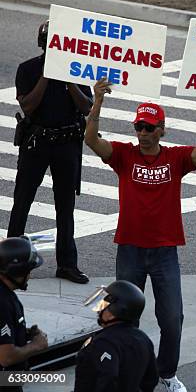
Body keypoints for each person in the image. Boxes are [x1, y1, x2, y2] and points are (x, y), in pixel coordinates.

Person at [84, 77, 196, 392]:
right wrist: (97, 102)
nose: (142, 133)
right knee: (122, 316)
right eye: (138, 127)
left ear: (162, 130)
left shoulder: (177, 158)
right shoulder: (124, 155)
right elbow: (91, 140)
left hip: (165, 251)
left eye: (149, 127)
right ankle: (130, 373)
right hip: (129, 249)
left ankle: (166, 374)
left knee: (171, 319)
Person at [8, 20, 93, 284]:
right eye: (51, 44)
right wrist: (47, 74)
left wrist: (69, 81)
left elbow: (86, 107)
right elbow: (29, 105)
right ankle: (11, 262)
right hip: (37, 142)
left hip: (67, 143)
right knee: (22, 202)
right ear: (43, 45)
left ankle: (67, 264)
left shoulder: (76, 71)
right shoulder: (29, 69)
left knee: (65, 206)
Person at [74, 280, 158, 392]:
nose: (99, 311)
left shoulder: (103, 343)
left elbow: (108, 378)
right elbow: (151, 378)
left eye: (104, 306)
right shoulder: (143, 338)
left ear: (114, 312)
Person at [0, 236, 49, 392]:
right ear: (16, 271)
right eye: (28, 271)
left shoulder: (5, 294)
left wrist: (21, 333)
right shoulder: (2, 303)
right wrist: (36, 345)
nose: (30, 276)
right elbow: (6, 357)